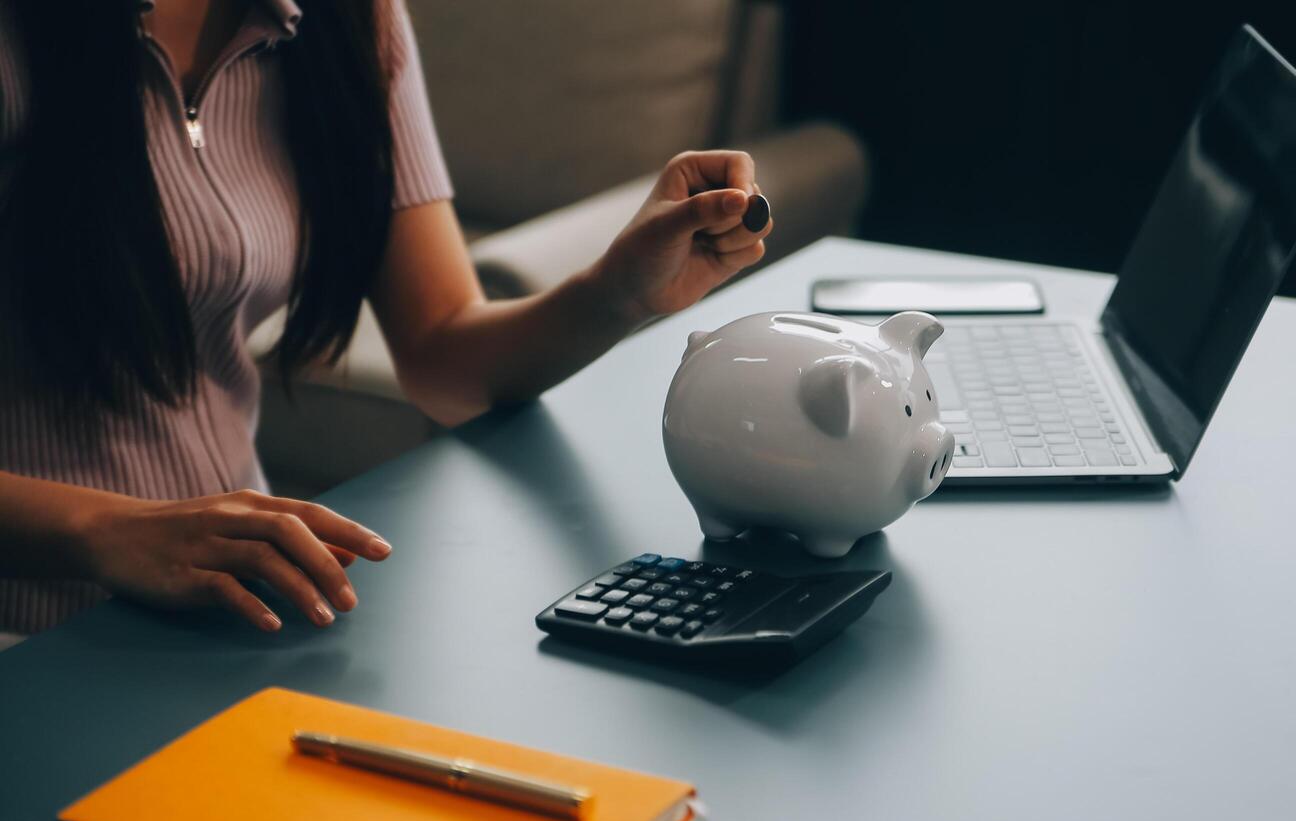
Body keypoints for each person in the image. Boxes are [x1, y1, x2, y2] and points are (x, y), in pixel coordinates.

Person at [0, 0, 772, 644]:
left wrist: (619, 290)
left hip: (244, 610)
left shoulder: (346, 20)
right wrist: (106, 532)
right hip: (33, 634)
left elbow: (442, 355)